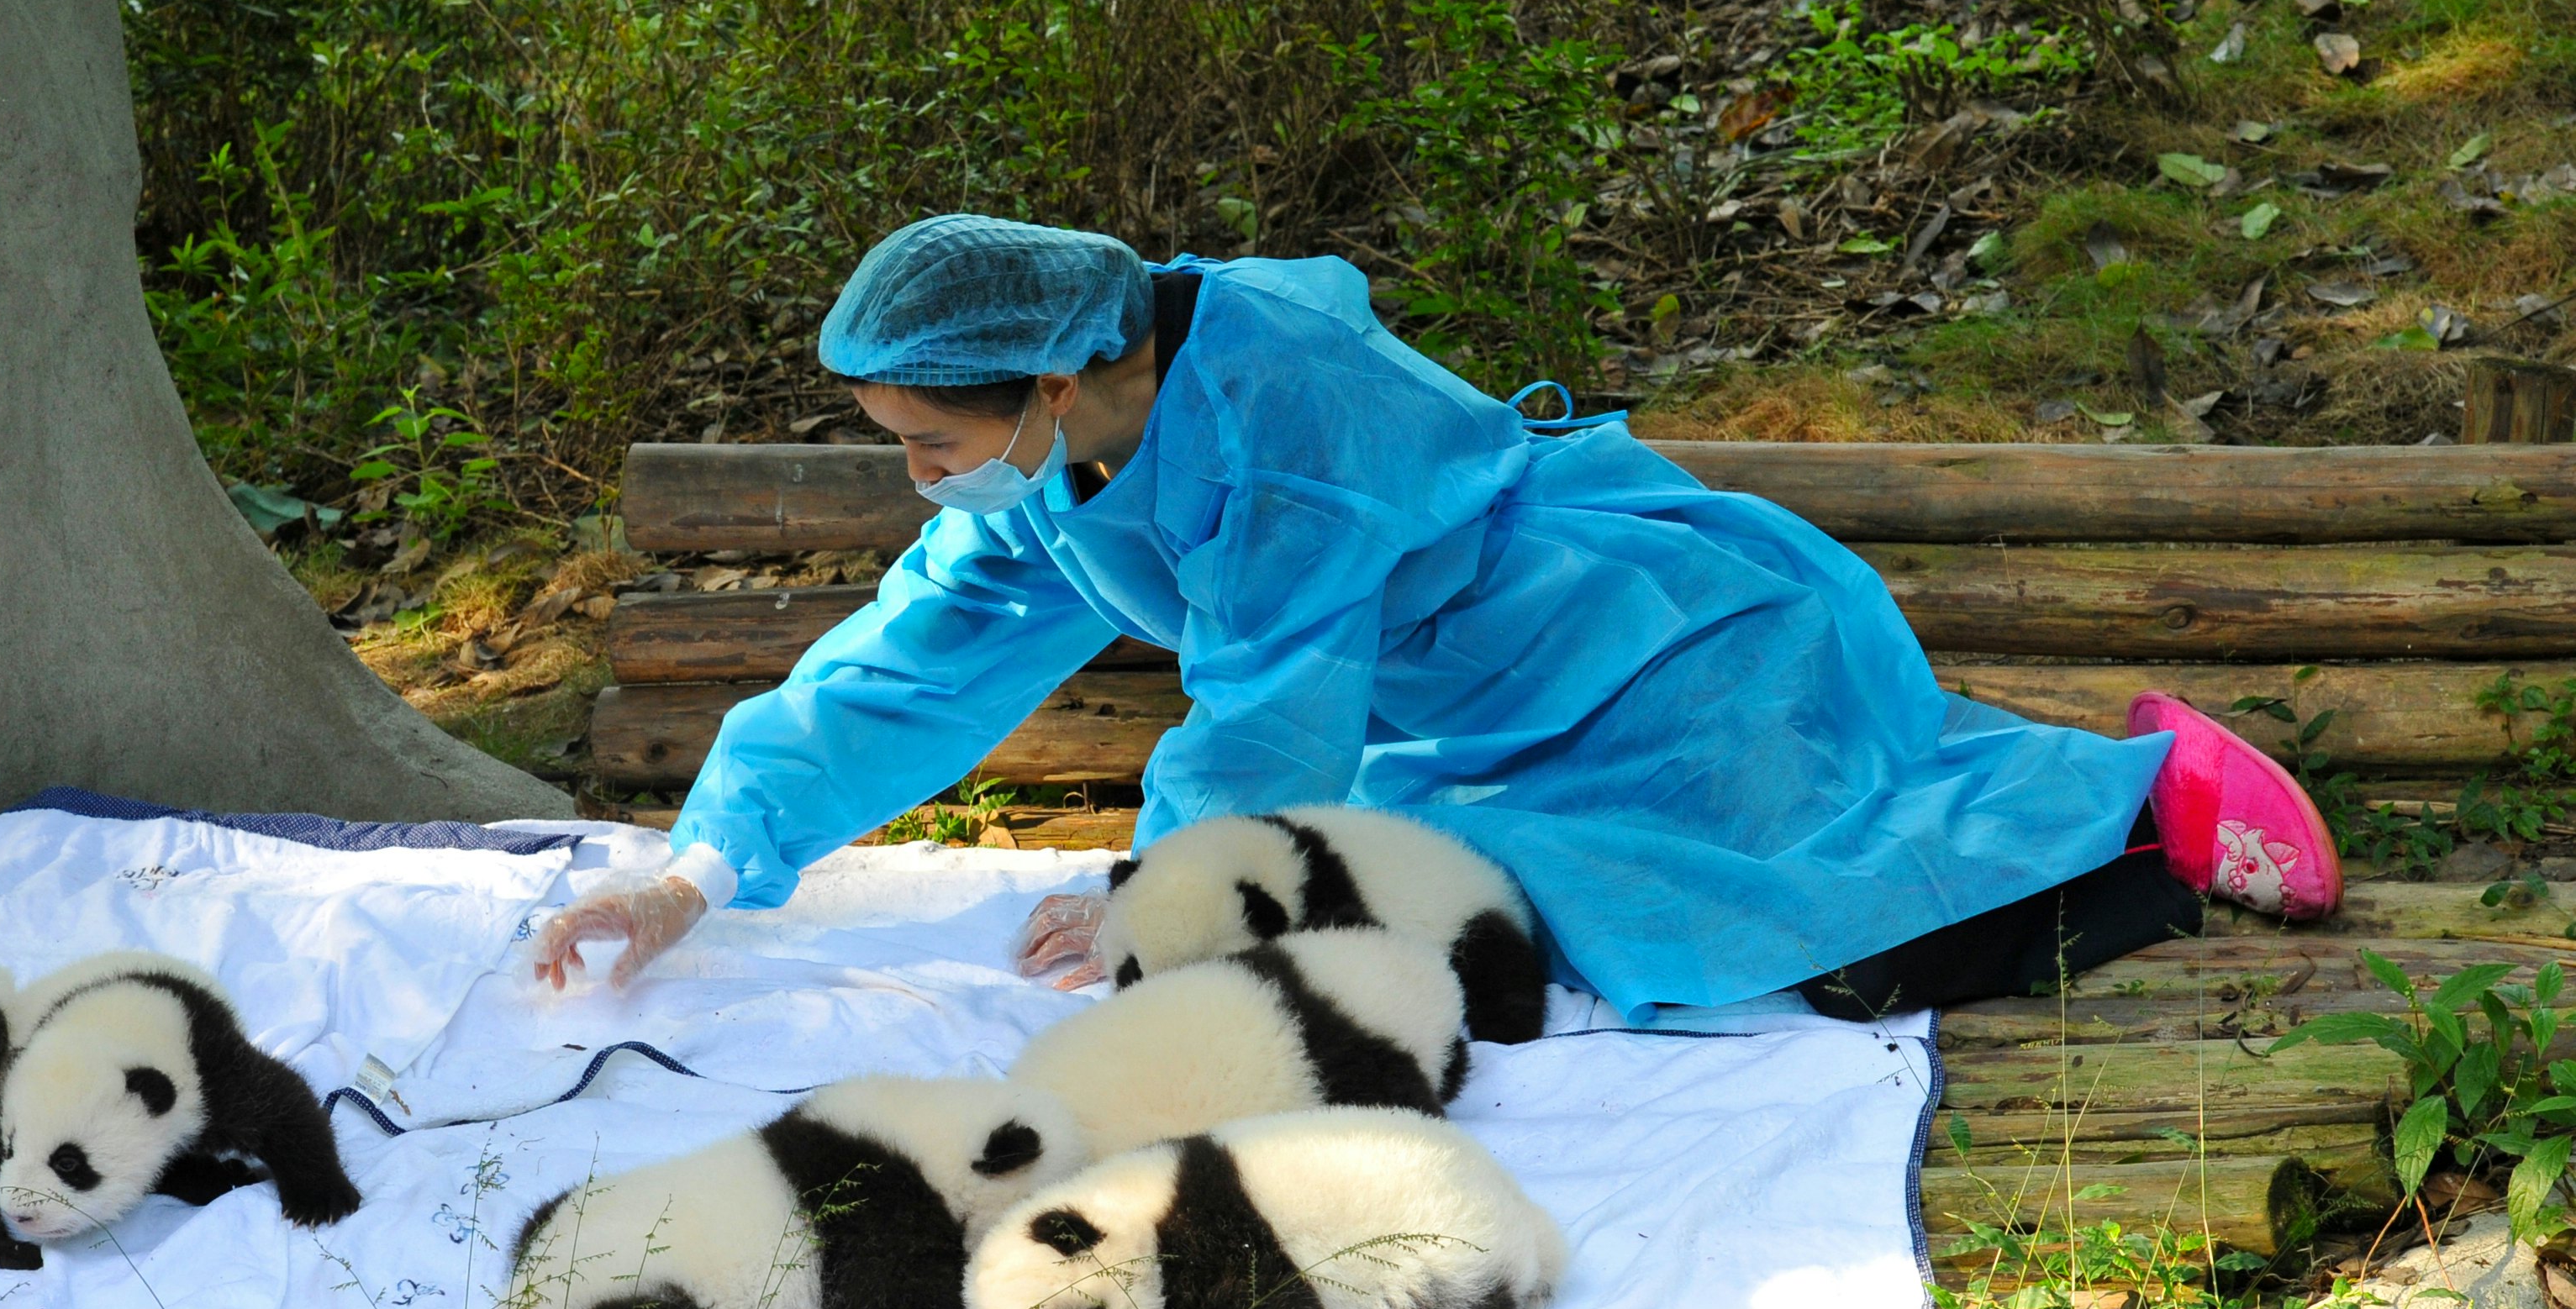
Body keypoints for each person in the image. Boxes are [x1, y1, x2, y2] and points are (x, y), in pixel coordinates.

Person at [529, 213, 2341, 1017]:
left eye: (933, 445)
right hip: (1469, 717)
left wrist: (1167, 885)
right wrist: (695, 871)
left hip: (1658, 652)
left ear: (1057, 377)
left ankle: (2137, 796)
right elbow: (904, 660)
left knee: (1780, 921)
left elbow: (1263, 704)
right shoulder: (1056, 454)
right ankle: (2089, 825)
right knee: (1515, 915)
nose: (924, 484)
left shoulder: (1280, 404)